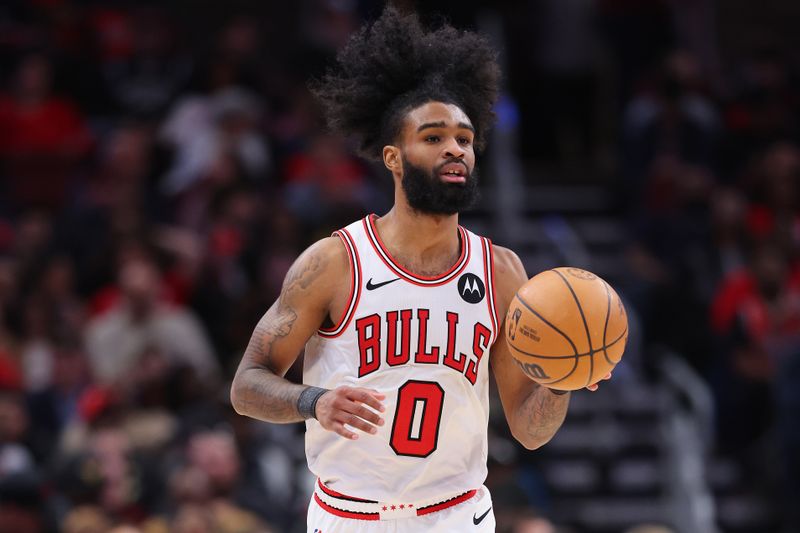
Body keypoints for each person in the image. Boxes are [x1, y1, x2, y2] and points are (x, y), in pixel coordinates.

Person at [230, 7, 607, 532]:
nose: (455, 149)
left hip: (457, 516)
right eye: (433, 137)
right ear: (392, 156)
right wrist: (313, 401)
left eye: (464, 138)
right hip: (349, 519)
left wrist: (564, 377)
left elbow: (529, 427)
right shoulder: (334, 262)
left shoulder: (500, 271)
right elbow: (246, 386)